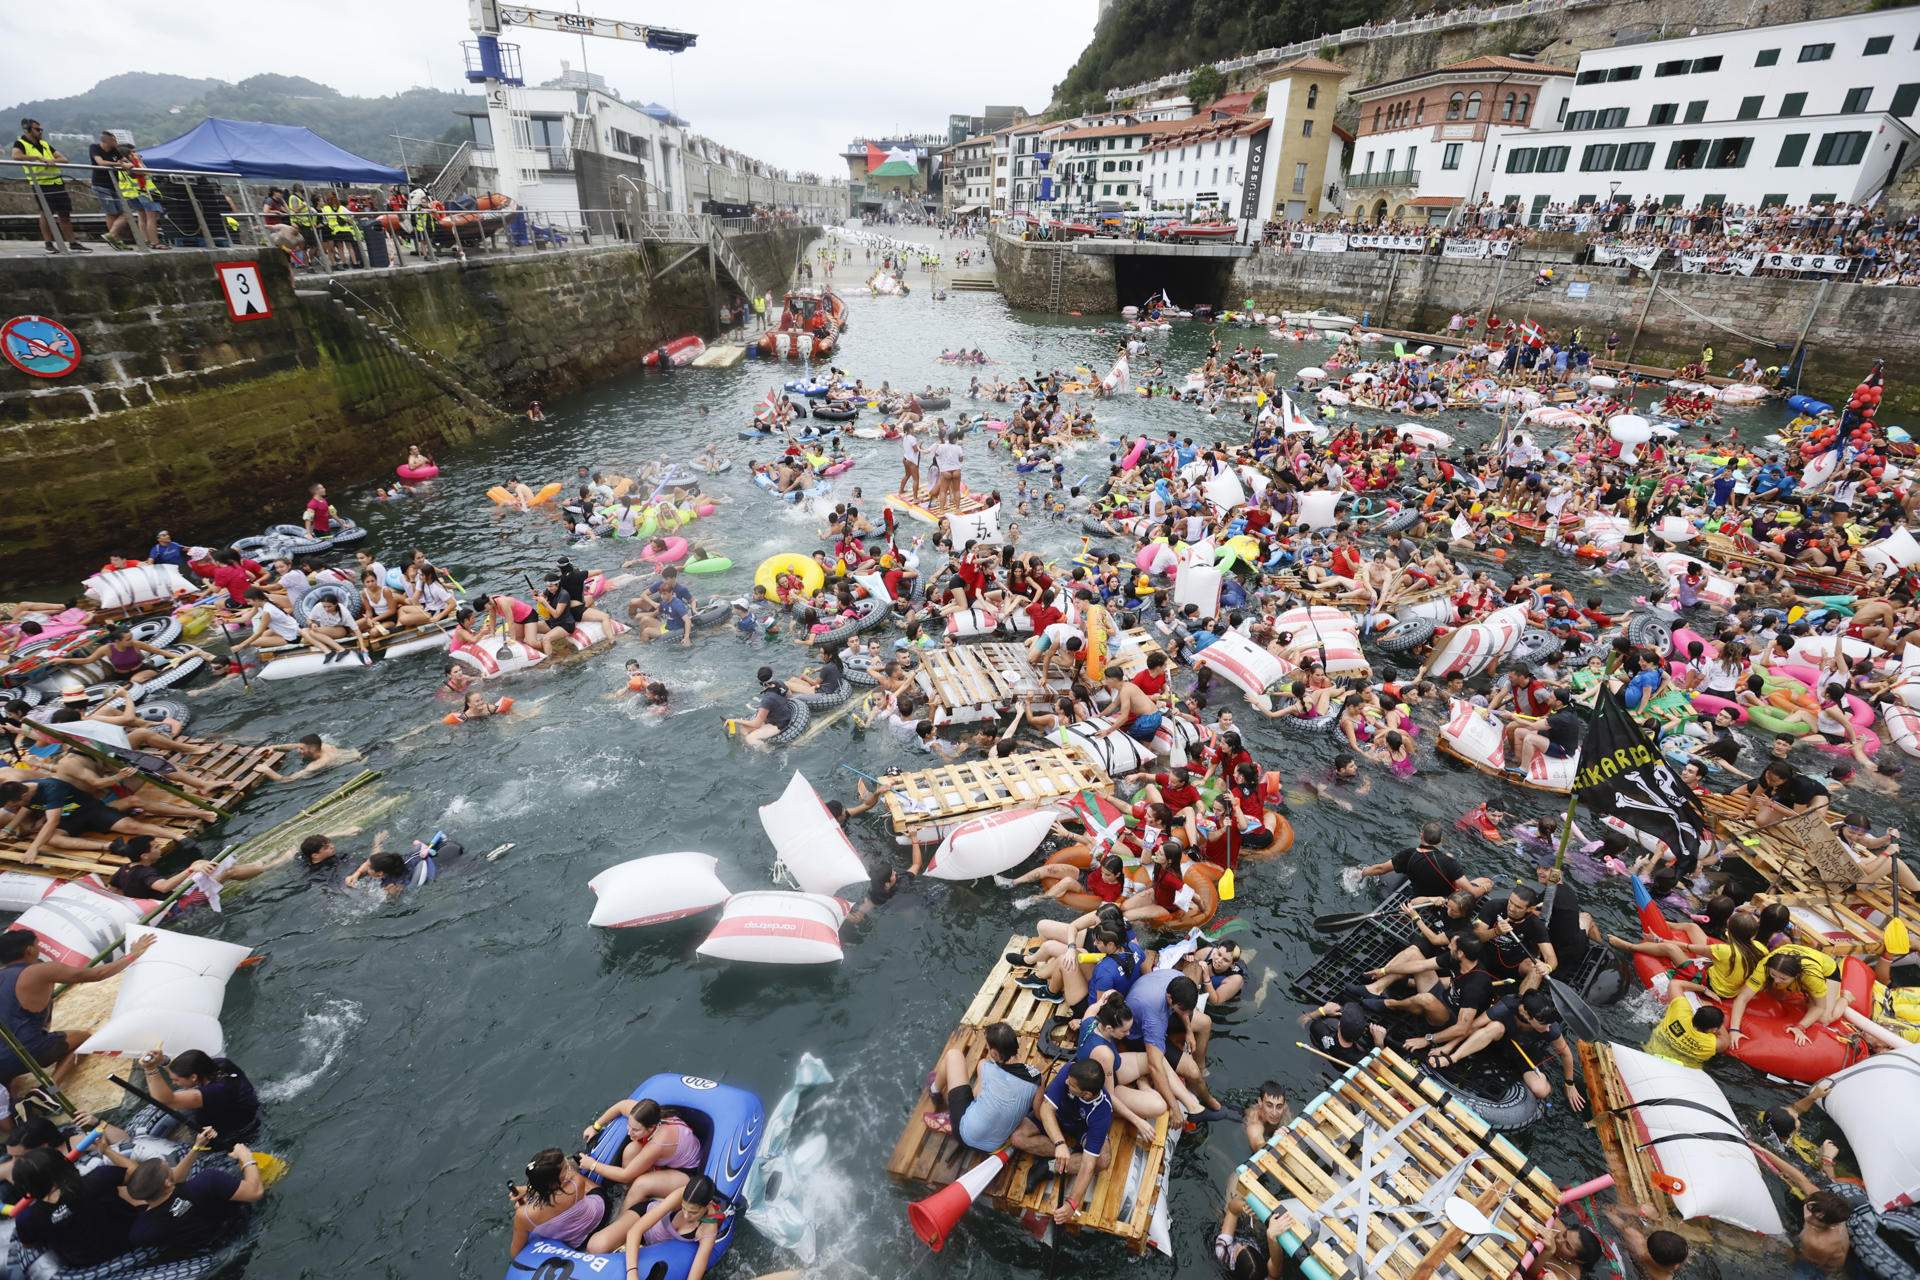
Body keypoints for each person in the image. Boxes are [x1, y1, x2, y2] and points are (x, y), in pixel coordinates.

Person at [0, 930, 154, 1086]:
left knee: (12, 1076)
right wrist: (132, 955)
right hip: (30, 1050)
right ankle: (49, 1090)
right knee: (83, 1038)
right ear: (29, 950)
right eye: (37, 945)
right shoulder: (40, 970)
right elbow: (98, 973)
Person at [1008, 1059, 1112, 1223]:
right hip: (1057, 1118)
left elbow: (1088, 1165)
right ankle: (1067, 1154)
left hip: (1081, 1129)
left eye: (1071, 1085)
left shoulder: (1102, 1113)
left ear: (1086, 1094)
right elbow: (1046, 1109)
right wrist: (1060, 1144)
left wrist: (1072, 1203)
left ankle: (1049, 1166)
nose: (1065, 1082)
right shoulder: (1071, 1070)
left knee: (1102, 1160)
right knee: (1017, 1138)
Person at [10, 1144, 141, 1267]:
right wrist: (106, 1150)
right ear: (61, 1165)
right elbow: (137, 1173)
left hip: (83, 1265)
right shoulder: (98, 1178)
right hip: (129, 1245)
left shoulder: (26, 1218)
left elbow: (28, 1245)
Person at [125, 1139, 265, 1251]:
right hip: (250, 1225)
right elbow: (255, 1192)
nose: (173, 1168)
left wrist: (197, 1147)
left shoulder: (141, 1231)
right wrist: (246, 1157)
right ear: (167, 1183)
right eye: (170, 1168)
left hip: (213, 1248)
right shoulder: (207, 1181)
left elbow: (175, 1199)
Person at [926, 1021, 1040, 1152]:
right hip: (992, 1146)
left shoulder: (985, 1067)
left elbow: (976, 1095)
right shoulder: (1036, 1077)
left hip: (965, 1133)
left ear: (995, 1054)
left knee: (954, 1055)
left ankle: (934, 1090)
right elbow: (1037, 1112)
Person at [578, 1097, 704, 1203]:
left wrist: (592, 1165)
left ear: (651, 1128)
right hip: (669, 1158)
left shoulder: (658, 1143)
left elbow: (625, 1175)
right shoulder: (646, 1117)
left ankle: (624, 1216)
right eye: (629, 1126)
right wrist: (596, 1126)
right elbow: (621, 1106)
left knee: (640, 1184)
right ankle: (632, 1194)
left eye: (636, 1130)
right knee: (631, 1149)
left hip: (685, 1173)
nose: (629, 1132)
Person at [133, 1049, 260, 1146]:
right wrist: (164, 1061)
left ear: (194, 1077)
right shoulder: (220, 1064)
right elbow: (184, 1073)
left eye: (176, 1080)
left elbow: (164, 1101)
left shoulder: (213, 1092)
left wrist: (150, 1069)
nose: (174, 1083)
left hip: (233, 1134)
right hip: (244, 1113)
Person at [11, 120, 88, 253]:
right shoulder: (21, 142)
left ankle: (72, 243)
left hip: (56, 182)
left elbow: (64, 159)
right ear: (28, 130)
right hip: (40, 183)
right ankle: (48, 243)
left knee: (65, 213)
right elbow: (16, 156)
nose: (40, 131)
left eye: (41, 129)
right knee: (46, 213)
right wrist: (37, 158)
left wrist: (52, 160)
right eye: (37, 129)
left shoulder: (45, 144)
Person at [1644, 999, 1727, 1069]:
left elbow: (1675, 984)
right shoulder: (1712, 1044)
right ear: (1714, 1030)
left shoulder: (1679, 1013)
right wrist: (1718, 1021)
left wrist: (1704, 990)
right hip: (1683, 1070)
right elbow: (1726, 1041)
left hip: (1651, 1054)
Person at [730, 667, 799, 747]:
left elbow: (756, 724)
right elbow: (790, 696)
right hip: (781, 714)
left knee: (750, 739)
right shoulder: (780, 683)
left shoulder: (767, 699)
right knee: (743, 729)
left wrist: (736, 720)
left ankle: (768, 752)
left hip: (779, 723)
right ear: (772, 675)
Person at [1242, 1081, 1291, 1152]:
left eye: (1279, 1107)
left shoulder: (1285, 1108)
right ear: (1260, 1102)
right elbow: (1259, 1148)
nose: (1274, 1113)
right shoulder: (1254, 1124)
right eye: (1269, 1105)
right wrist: (1273, 1141)